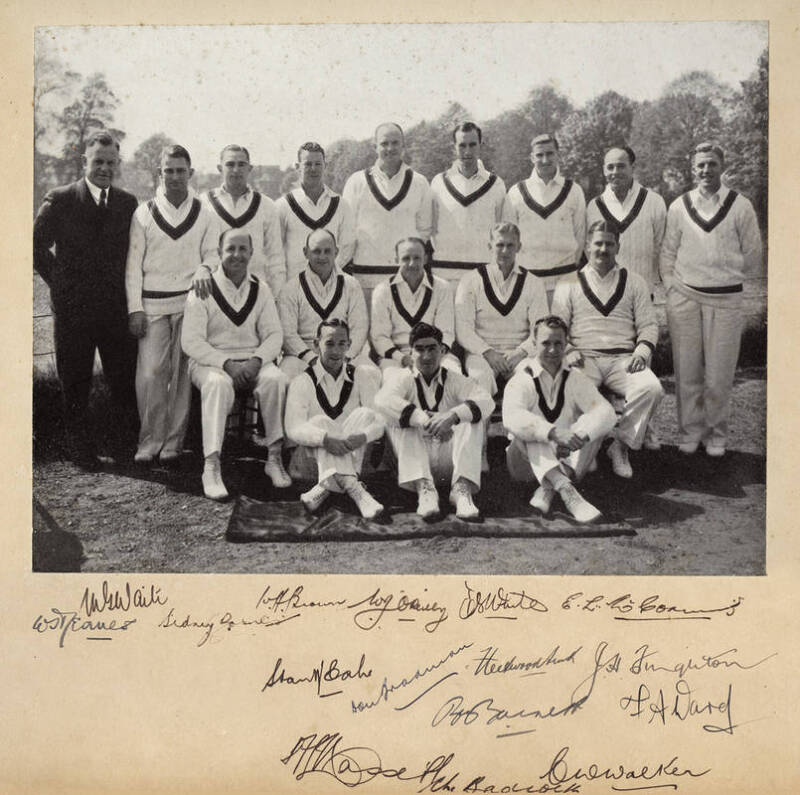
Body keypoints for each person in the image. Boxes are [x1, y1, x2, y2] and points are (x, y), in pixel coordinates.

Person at [33, 130, 140, 469]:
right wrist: (60, 283)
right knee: (75, 383)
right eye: (98, 162)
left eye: (110, 163)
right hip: (73, 312)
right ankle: (82, 453)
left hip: (114, 310)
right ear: (85, 162)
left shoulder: (127, 203)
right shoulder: (61, 198)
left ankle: (125, 449)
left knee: (122, 381)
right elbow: (34, 245)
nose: (104, 168)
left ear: (117, 164)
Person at [659, 142, 762, 457]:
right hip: (685, 297)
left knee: (719, 374)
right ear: (693, 169)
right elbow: (667, 252)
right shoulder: (679, 205)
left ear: (722, 166)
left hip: (726, 300)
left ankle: (716, 434)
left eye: (712, 164)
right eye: (700, 165)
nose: (706, 170)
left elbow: (754, 253)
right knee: (687, 371)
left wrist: (726, 277)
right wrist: (673, 287)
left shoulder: (740, 205)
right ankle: (690, 432)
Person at [125, 144, 220, 465]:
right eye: (169, 170)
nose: (175, 176)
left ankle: (173, 444)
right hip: (151, 306)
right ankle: (150, 440)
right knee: (151, 373)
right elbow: (133, 265)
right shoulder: (144, 212)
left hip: (189, 305)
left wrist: (206, 268)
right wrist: (134, 308)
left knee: (181, 377)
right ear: (159, 173)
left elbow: (212, 254)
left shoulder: (205, 212)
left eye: (181, 170)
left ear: (190, 173)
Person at [181, 229, 289, 499]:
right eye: (230, 249)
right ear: (219, 253)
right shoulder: (202, 289)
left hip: (252, 361)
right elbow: (191, 342)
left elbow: (275, 335)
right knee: (218, 386)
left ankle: (274, 458)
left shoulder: (260, 289)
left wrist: (256, 361)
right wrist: (226, 363)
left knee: (276, 379)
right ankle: (212, 465)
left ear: (252, 253)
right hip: (211, 364)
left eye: (243, 249)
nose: (237, 255)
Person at [552, 219, 663, 479]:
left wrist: (642, 352)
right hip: (584, 358)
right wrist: (568, 349)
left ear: (618, 246)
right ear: (587, 246)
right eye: (598, 243)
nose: (603, 249)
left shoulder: (635, 282)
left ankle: (620, 446)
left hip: (623, 360)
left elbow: (648, 325)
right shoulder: (568, 282)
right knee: (567, 390)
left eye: (609, 244)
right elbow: (557, 326)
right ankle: (584, 449)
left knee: (651, 388)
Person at [586, 145, 667, 451]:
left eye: (621, 166)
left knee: (640, 364)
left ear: (633, 167)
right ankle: (612, 430)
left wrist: (656, 284)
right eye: (609, 167)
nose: (615, 172)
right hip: (605, 294)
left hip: (640, 291)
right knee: (608, 362)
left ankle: (641, 428)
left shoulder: (654, 202)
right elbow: (590, 249)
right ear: (603, 170)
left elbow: (662, 246)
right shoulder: (593, 205)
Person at [374, 322, 494, 520]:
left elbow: (486, 401)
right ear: (411, 352)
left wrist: (452, 416)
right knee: (397, 419)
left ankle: (461, 489)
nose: (427, 356)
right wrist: (423, 419)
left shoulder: (455, 379)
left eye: (432, 349)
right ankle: (425, 490)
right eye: (419, 349)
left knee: (472, 417)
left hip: (451, 460)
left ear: (443, 350)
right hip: (415, 460)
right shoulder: (402, 377)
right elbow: (381, 401)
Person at [503, 316, 616, 523]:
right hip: (524, 467)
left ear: (566, 345)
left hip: (567, 459)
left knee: (594, 425)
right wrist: (555, 434)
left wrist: (579, 436)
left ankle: (550, 485)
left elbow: (606, 411)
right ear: (534, 344)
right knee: (531, 428)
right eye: (546, 343)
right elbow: (511, 417)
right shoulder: (522, 378)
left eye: (558, 343)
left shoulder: (575, 377)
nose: (553, 350)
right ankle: (567, 492)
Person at [284, 319, 385, 519]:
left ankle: (325, 488)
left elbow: (381, 422)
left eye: (342, 344)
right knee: (321, 423)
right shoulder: (302, 381)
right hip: (310, 466)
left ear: (349, 345)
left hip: (352, 458)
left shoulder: (362, 375)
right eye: (329, 343)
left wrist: (363, 437)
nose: (336, 351)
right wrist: (325, 439)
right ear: (316, 344)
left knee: (365, 415)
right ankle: (356, 491)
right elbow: (293, 428)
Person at [341, 122, 432, 310]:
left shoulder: (419, 182)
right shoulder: (356, 182)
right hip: (365, 277)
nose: (390, 148)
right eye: (384, 143)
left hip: (405, 277)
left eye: (395, 143)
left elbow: (424, 230)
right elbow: (346, 231)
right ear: (374, 146)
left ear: (403, 146)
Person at [455, 222, 548, 397]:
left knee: (531, 380)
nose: (505, 251)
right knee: (480, 379)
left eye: (510, 245)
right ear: (490, 246)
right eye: (499, 245)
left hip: (519, 355)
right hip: (481, 355)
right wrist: (488, 352)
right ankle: (481, 424)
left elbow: (540, 330)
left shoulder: (534, 283)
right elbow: (463, 329)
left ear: (519, 247)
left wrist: (520, 352)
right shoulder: (470, 280)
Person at [277, 228, 375, 380]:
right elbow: (288, 334)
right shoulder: (291, 288)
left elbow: (359, 328)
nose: (322, 257)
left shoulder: (351, 284)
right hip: (303, 356)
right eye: (316, 251)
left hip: (342, 352)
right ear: (305, 252)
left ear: (336, 252)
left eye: (327, 251)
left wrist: (345, 357)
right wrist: (313, 359)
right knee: (285, 376)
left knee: (370, 373)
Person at [502, 133, 586, 302]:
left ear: (558, 155)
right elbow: (509, 240)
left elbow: (580, 236)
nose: (545, 160)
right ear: (532, 158)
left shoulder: (574, 191)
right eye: (540, 155)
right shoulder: (516, 192)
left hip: (566, 281)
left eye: (550, 153)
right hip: (527, 281)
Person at [201, 144, 285, 297]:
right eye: (230, 164)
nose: (236, 170)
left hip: (256, 293)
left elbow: (275, 258)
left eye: (241, 164)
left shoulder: (267, 206)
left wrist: (277, 298)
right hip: (214, 294)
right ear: (220, 168)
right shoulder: (204, 204)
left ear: (249, 168)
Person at [429, 122, 506, 285]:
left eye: (472, 145)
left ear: (480, 145)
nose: (467, 152)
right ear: (453, 147)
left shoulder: (496, 184)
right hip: (444, 276)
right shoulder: (438, 182)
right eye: (462, 145)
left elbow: (503, 232)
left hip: (484, 276)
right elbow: (429, 229)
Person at [371, 237, 458, 373]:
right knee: (394, 380)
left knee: (451, 374)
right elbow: (379, 336)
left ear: (426, 258)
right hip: (397, 356)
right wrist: (403, 358)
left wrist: (431, 356)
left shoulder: (442, 287)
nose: (412, 264)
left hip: (435, 353)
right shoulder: (382, 290)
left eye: (417, 258)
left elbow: (446, 332)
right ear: (396, 259)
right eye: (406, 258)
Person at [275, 141, 354, 281]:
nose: (313, 169)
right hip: (294, 288)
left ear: (325, 166)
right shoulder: (282, 206)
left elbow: (347, 247)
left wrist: (326, 273)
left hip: (330, 286)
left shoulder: (341, 205)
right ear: (298, 167)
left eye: (318, 164)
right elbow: (275, 251)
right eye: (308, 164)